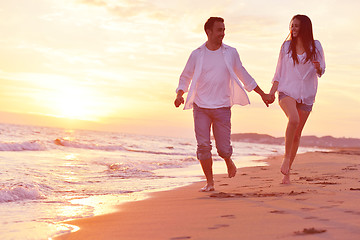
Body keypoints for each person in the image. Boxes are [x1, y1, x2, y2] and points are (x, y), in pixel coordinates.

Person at [174, 17, 272, 192]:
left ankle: (227, 159)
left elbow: (243, 74)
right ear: (208, 32)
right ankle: (210, 183)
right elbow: (185, 76)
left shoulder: (230, 53)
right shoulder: (197, 54)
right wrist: (180, 93)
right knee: (203, 146)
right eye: (219, 30)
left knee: (223, 148)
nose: (222, 33)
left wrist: (262, 93)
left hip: (222, 107)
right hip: (201, 107)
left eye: (223, 29)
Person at [268, 14, 325, 184]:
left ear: (305, 28)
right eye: (292, 26)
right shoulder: (286, 47)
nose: (293, 29)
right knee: (293, 119)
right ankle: (286, 158)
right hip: (287, 91)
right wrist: (271, 92)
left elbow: (322, 70)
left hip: (307, 94)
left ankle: (287, 174)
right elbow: (278, 72)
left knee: (297, 134)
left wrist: (318, 67)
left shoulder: (316, 46)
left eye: (297, 26)